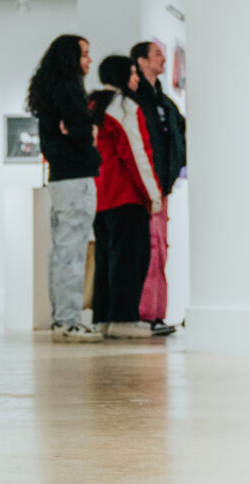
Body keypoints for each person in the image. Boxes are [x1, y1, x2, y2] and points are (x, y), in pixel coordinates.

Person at [27, 35, 100, 343]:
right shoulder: (69, 90)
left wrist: (82, 129)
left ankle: (62, 317)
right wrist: (89, 130)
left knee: (61, 252)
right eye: (84, 54)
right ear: (71, 58)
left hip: (60, 179)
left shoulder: (48, 91)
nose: (89, 60)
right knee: (71, 252)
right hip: (75, 179)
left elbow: (75, 129)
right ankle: (68, 321)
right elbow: (84, 131)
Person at [91, 54, 169, 337]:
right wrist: (153, 195)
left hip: (99, 198)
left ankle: (104, 318)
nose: (137, 79)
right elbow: (136, 154)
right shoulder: (123, 107)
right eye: (133, 73)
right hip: (126, 196)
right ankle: (124, 319)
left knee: (106, 259)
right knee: (130, 259)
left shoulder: (93, 105)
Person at [128, 41, 185, 328]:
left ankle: (155, 313)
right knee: (149, 250)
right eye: (157, 54)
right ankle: (145, 314)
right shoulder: (136, 104)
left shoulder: (165, 104)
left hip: (161, 189)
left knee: (159, 249)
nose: (164, 59)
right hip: (144, 191)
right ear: (141, 61)